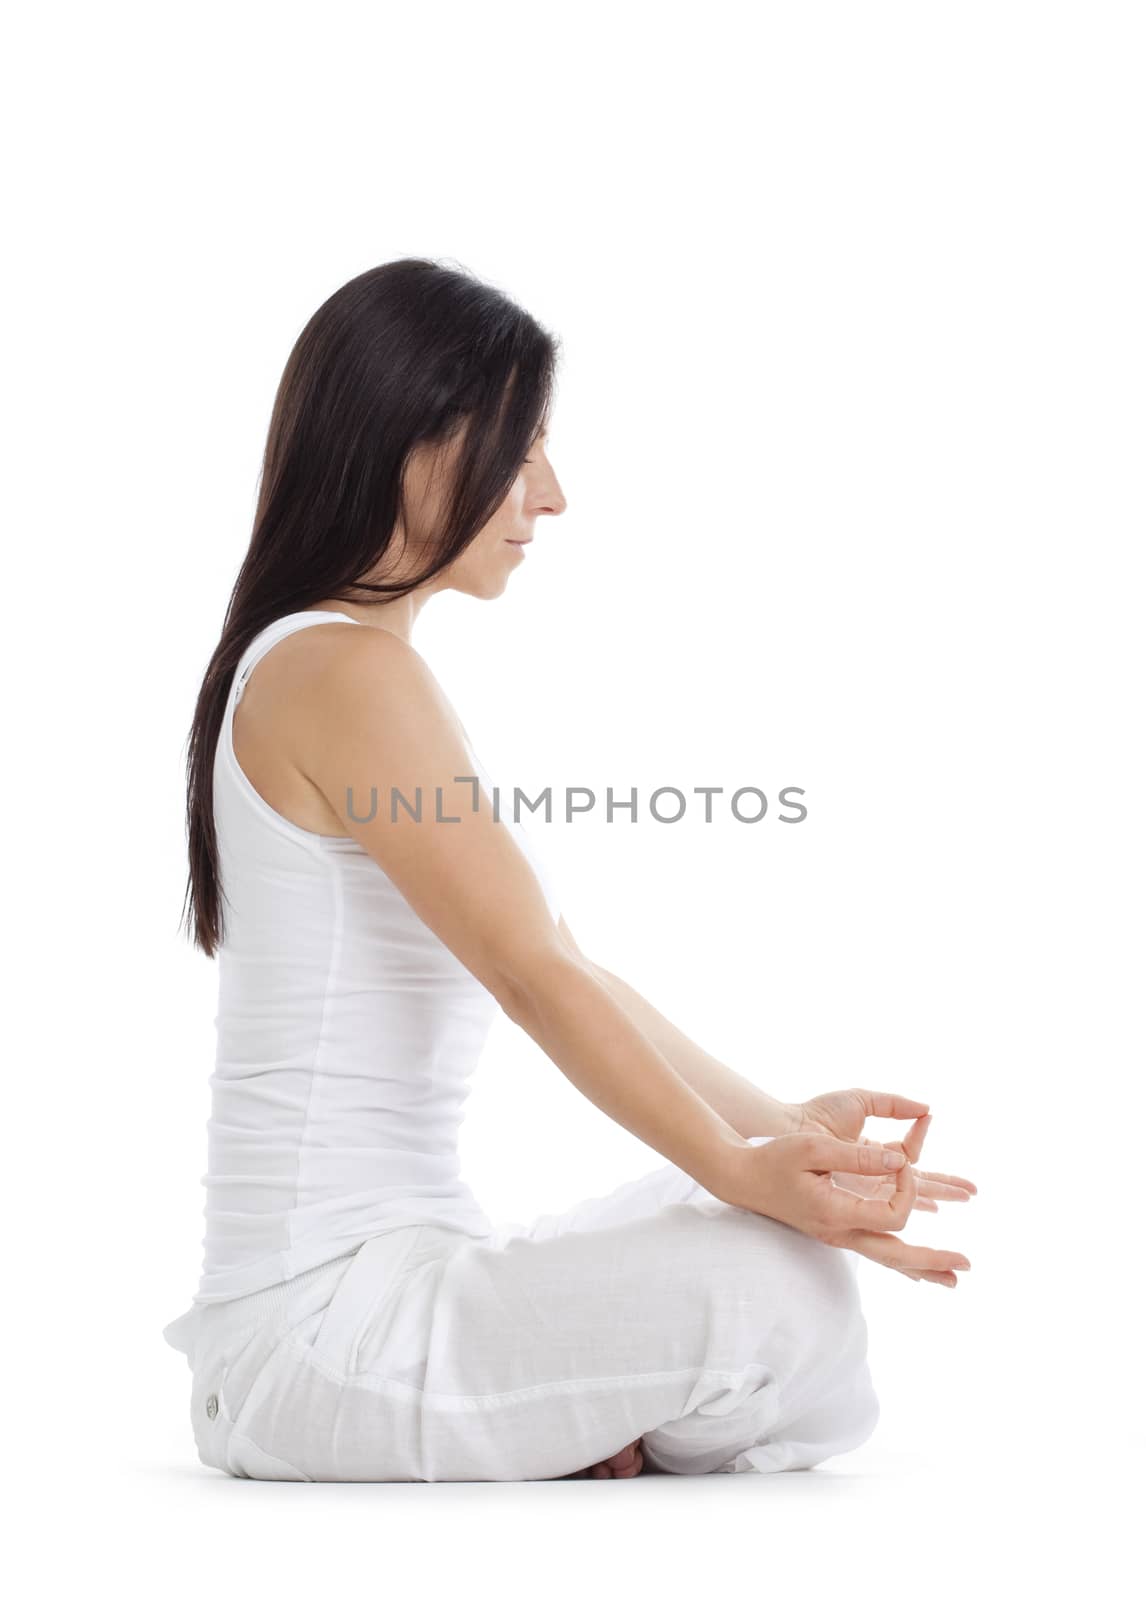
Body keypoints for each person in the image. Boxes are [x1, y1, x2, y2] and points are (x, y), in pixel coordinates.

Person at [162, 257, 975, 1483]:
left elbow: (568, 962)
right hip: (314, 1338)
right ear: (409, 441)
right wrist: (748, 1168)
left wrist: (784, 1135)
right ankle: (604, 1422)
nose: (551, 493)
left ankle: (593, 1417)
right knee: (777, 1295)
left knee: (756, 1240)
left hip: (388, 1288)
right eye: (520, 446)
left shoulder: (348, 668)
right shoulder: (340, 671)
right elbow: (532, 973)